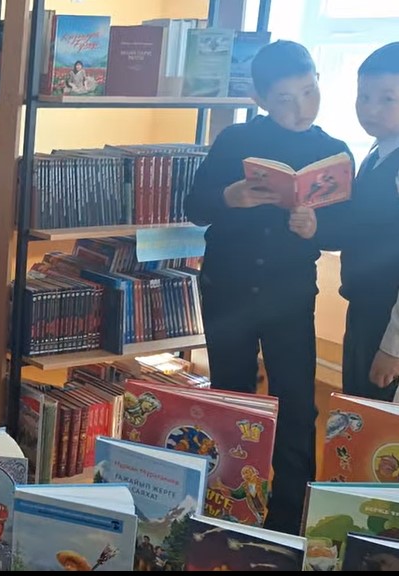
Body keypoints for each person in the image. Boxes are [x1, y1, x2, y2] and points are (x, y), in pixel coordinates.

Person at [184, 40, 353, 535]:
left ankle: (288, 520)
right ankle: (230, 509)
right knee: (231, 397)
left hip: (290, 295)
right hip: (228, 288)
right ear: (259, 99)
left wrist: (316, 228)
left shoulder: (333, 152)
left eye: (309, 91)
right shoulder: (234, 140)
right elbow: (195, 207)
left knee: (296, 404)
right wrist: (228, 196)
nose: (301, 107)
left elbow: (345, 229)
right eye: (284, 98)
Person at [318, 42, 399, 401]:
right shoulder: (376, 152)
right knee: (356, 406)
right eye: (363, 96)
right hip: (365, 307)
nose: (370, 109)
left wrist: (393, 347)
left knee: (377, 419)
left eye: (387, 99)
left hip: (388, 319)